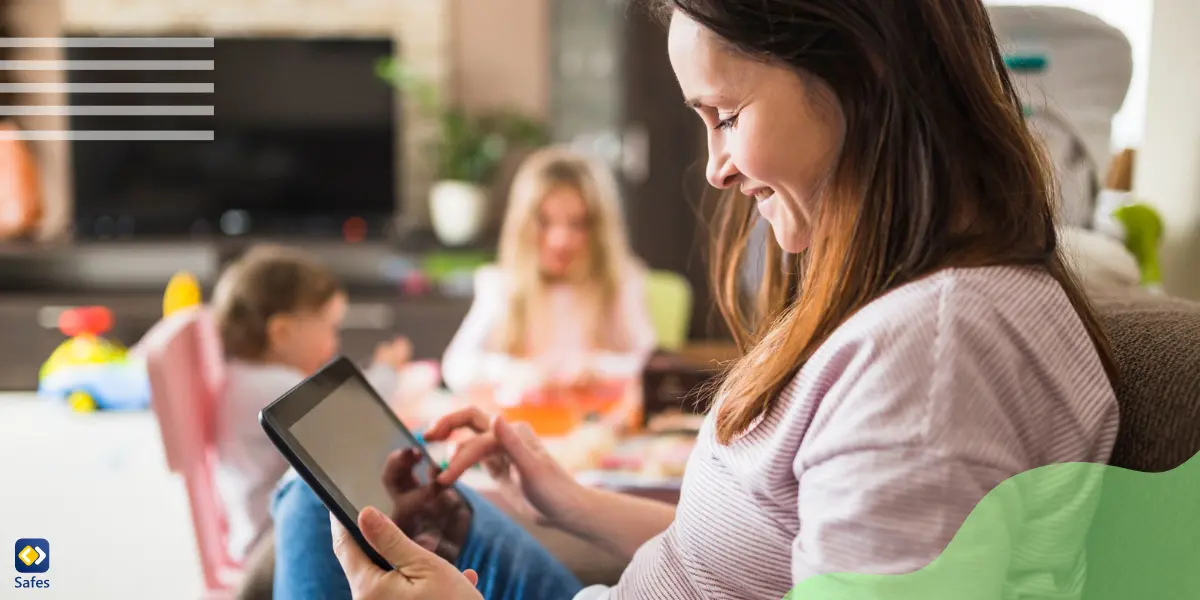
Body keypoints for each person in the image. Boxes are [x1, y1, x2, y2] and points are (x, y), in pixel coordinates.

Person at [278, 0, 1122, 598]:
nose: (715, 166)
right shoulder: (915, 309)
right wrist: (563, 500)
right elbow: (749, 569)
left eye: (723, 113)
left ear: (862, 72)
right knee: (330, 501)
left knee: (330, 513)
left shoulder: (935, 355)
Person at [211, 244, 412, 566]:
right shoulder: (273, 389)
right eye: (330, 327)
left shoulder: (247, 377)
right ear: (282, 332)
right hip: (274, 546)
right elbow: (358, 412)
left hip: (269, 533)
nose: (335, 342)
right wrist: (387, 370)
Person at [440, 146, 657, 414]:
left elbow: (652, 364)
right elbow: (456, 367)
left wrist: (599, 368)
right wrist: (521, 371)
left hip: (595, 428)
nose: (560, 240)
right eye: (545, 222)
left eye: (577, 224)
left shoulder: (621, 282)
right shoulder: (502, 285)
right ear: (523, 224)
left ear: (599, 229)